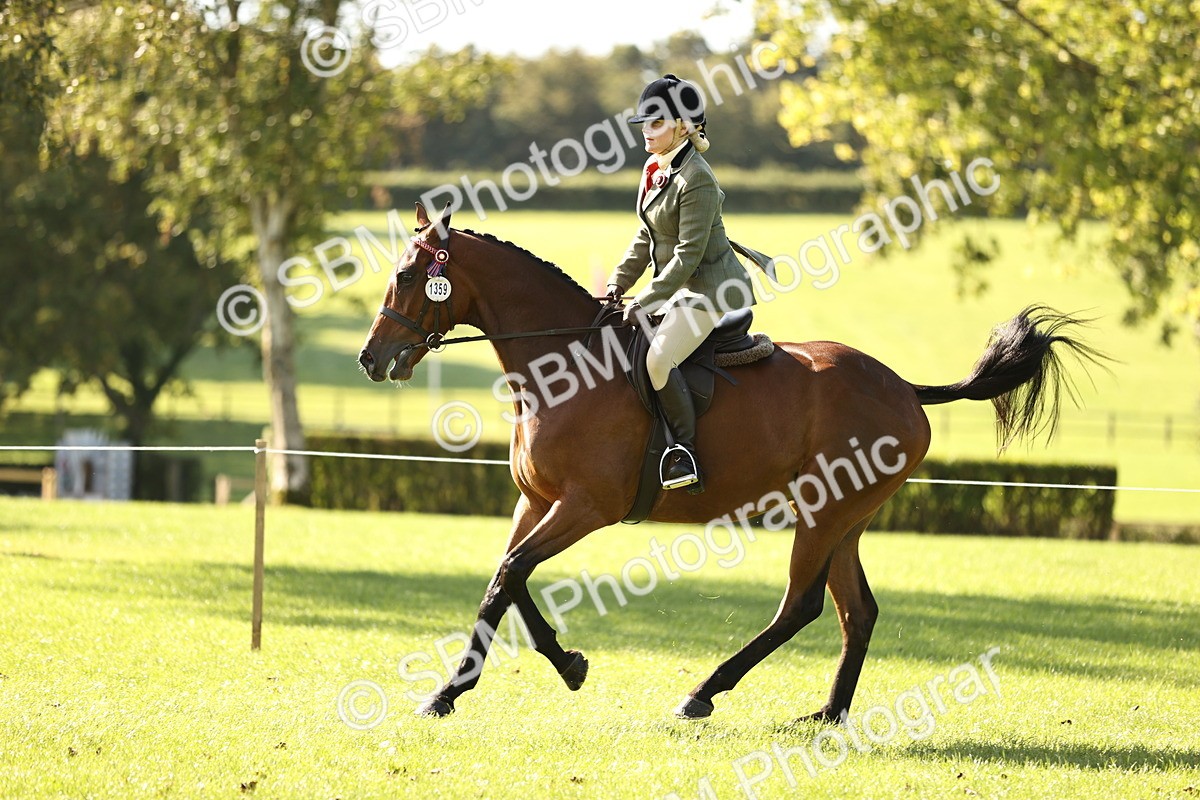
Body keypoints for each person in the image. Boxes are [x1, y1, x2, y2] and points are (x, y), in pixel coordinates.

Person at [607, 74, 758, 492]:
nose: (646, 133)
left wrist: (647, 298)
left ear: (684, 126)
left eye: (655, 124)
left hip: (710, 290)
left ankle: (683, 454)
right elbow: (646, 237)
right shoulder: (654, 169)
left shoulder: (698, 178)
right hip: (678, 285)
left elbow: (687, 255)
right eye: (644, 124)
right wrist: (617, 286)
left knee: (658, 360)